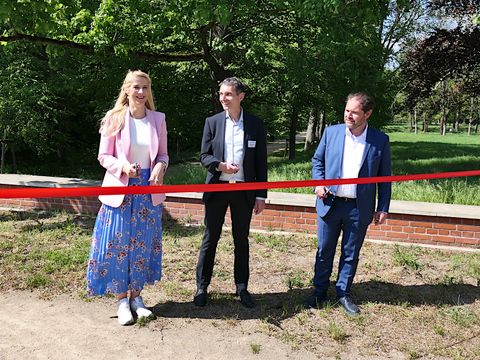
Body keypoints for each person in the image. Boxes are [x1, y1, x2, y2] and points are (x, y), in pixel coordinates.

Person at [86, 70, 168, 325]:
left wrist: (159, 167)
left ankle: (137, 298)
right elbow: (103, 156)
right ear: (127, 90)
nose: (141, 93)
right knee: (117, 245)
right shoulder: (115, 118)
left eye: (145, 88)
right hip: (120, 190)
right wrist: (123, 168)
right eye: (136, 87)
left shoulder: (158, 119)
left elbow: (163, 155)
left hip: (148, 192)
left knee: (143, 243)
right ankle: (122, 300)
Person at [304, 92, 391, 315]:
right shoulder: (331, 133)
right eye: (346, 110)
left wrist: (383, 207)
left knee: (351, 253)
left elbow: (385, 177)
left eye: (354, 112)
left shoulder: (379, 140)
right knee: (324, 250)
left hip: (358, 207)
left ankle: (343, 293)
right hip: (330, 203)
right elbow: (317, 161)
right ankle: (319, 292)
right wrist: (319, 183)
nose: (348, 115)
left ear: (367, 114)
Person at [193, 77, 267, 308]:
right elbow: (204, 155)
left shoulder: (255, 124)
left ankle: (242, 287)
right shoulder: (212, 122)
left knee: (241, 240)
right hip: (218, 188)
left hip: (244, 192)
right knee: (210, 238)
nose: (223, 98)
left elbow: (262, 162)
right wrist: (220, 165)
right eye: (221, 94)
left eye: (228, 94)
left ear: (240, 96)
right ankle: (201, 287)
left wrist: (261, 194)